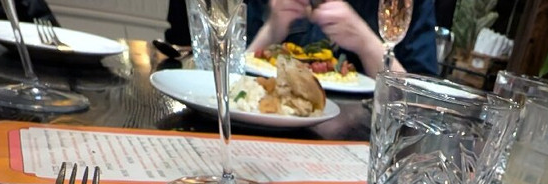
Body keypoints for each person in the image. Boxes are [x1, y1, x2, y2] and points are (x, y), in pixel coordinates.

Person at [168, 0, 438, 77]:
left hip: (359, 150)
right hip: (256, 133)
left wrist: (366, 44)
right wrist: (271, 31)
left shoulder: (401, 5)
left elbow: (424, 106)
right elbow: (220, 80)